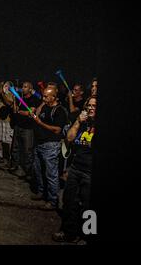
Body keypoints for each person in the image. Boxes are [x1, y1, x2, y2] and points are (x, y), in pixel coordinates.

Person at [52, 96, 97, 243]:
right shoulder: (82, 123)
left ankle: (86, 237)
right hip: (76, 168)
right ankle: (69, 232)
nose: (91, 108)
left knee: (88, 207)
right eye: (89, 105)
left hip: (90, 172)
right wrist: (78, 121)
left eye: (94, 106)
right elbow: (69, 138)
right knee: (69, 201)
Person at [30, 87, 68, 210]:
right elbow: (37, 115)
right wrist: (36, 112)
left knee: (51, 174)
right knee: (38, 171)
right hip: (39, 143)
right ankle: (42, 192)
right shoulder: (45, 105)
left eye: (46, 96)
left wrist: (40, 123)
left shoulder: (60, 110)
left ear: (54, 97)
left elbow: (57, 129)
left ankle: (53, 200)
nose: (43, 98)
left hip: (51, 145)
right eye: (43, 95)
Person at [10, 82, 41, 180]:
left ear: (30, 89)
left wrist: (20, 111)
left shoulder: (33, 99)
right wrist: (15, 99)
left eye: (25, 87)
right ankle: (15, 166)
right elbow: (15, 110)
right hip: (18, 126)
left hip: (28, 128)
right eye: (22, 86)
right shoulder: (21, 99)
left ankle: (28, 172)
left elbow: (30, 112)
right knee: (15, 148)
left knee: (27, 151)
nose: (23, 88)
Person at [0, 81, 14, 167]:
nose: (5, 87)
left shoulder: (11, 94)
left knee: (8, 141)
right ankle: (0, 157)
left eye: (6, 86)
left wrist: (2, 94)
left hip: (7, 120)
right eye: (4, 86)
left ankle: (10, 159)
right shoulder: (0, 95)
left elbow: (9, 103)